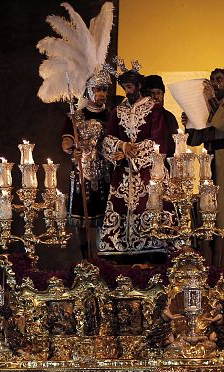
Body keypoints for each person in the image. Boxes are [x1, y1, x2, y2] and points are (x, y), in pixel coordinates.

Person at [100, 62, 171, 260]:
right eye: (124, 88)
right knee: (120, 211)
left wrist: (131, 153)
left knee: (148, 208)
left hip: (148, 172)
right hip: (123, 175)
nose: (127, 91)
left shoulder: (153, 109)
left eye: (130, 87)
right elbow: (107, 139)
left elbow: (158, 142)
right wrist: (121, 146)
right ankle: (121, 253)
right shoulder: (118, 111)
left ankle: (151, 251)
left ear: (139, 86)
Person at [184, 68, 224, 268]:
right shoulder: (207, 109)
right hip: (209, 161)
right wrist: (190, 123)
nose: (214, 83)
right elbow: (196, 139)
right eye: (212, 80)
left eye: (219, 80)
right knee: (207, 208)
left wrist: (211, 101)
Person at [62, 69, 112, 259]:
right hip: (82, 172)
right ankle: (86, 259)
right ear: (89, 91)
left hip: (105, 172)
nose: (102, 94)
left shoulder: (111, 116)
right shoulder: (76, 116)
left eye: (104, 90)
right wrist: (71, 149)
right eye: (98, 89)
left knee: (104, 218)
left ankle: (101, 259)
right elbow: (66, 140)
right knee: (82, 220)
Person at [142, 75, 179, 154]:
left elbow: (175, 144)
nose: (156, 97)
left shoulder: (169, 117)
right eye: (152, 93)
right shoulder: (138, 117)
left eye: (159, 93)